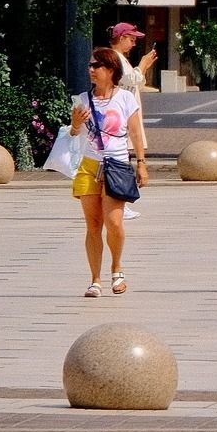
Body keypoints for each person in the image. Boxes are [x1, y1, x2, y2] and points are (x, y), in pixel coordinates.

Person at [70, 46, 149, 299]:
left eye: (97, 66)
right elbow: (74, 135)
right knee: (93, 225)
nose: (91, 70)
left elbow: (136, 133)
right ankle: (95, 279)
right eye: (90, 66)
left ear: (111, 69)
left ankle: (117, 268)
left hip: (116, 164)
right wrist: (75, 124)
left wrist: (141, 162)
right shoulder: (82, 99)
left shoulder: (125, 98)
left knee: (114, 222)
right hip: (89, 165)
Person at [108, 21, 157, 221]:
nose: (134, 43)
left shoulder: (121, 59)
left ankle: (120, 201)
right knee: (119, 160)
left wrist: (141, 69)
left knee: (121, 158)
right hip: (121, 115)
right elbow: (129, 80)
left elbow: (135, 80)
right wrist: (143, 66)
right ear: (121, 38)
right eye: (131, 39)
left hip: (126, 113)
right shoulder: (114, 58)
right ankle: (119, 202)